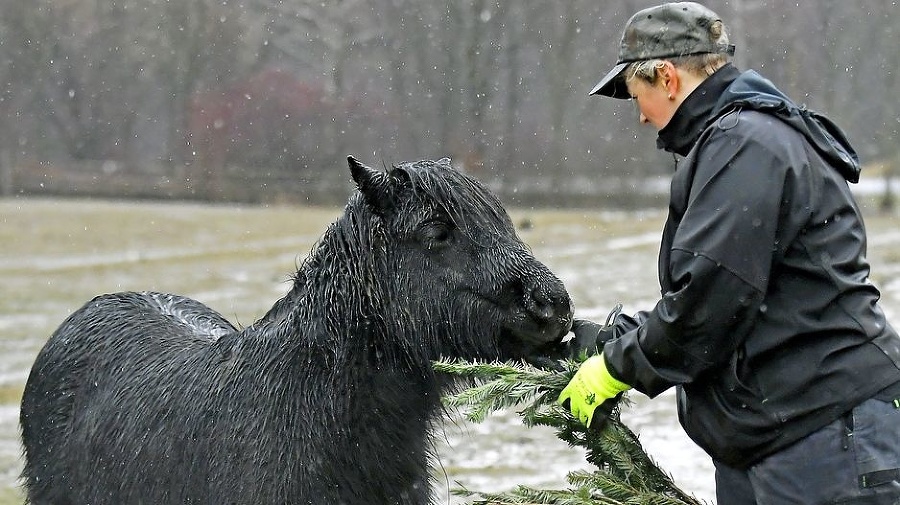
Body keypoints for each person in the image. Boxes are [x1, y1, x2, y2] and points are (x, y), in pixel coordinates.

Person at [555, 2, 900, 503]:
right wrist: (619, 339)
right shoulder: (736, 140)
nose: (641, 116)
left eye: (637, 94)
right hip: (782, 433)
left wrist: (616, 367)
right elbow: (733, 299)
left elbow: (710, 302)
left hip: (824, 435)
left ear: (668, 79)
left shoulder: (745, 143)